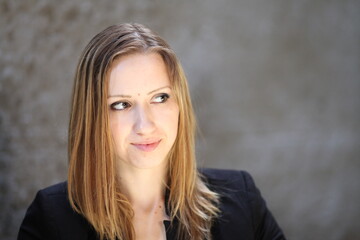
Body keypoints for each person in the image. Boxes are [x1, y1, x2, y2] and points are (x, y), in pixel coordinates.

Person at [17, 23, 286, 240]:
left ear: (180, 103)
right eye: (121, 104)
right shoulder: (51, 219)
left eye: (159, 98)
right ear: (92, 117)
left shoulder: (242, 198)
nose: (145, 125)